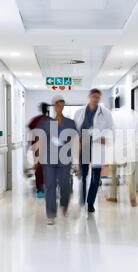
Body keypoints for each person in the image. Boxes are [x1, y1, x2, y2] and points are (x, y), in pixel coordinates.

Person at [39, 95, 78, 226]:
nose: (60, 107)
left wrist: (77, 160)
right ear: (54, 107)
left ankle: (64, 203)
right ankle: (51, 214)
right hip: (49, 160)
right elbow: (42, 141)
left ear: (63, 106)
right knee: (50, 185)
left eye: (62, 105)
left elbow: (76, 141)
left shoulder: (70, 123)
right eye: (57, 105)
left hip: (64, 160)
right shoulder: (47, 124)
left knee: (65, 185)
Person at [74, 89, 113, 214]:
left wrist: (104, 137)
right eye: (93, 96)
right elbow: (75, 131)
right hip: (84, 145)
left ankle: (90, 203)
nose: (95, 99)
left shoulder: (105, 113)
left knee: (96, 177)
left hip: (97, 145)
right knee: (84, 175)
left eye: (98, 97)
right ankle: (83, 198)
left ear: (100, 98)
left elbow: (111, 129)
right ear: (89, 97)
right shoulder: (80, 112)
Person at [107, 108, 138, 207]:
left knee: (113, 173)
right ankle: (133, 198)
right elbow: (137, 131)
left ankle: (113, 196)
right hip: (130, 147)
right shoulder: (134, 114)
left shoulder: (111, 115)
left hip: (116, 147)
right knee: (131, 174)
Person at [28, 102, 50, 198]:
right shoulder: (50, 120)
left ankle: (40, 190)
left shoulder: (35, 120)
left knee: (38, 168)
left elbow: (31, 130)